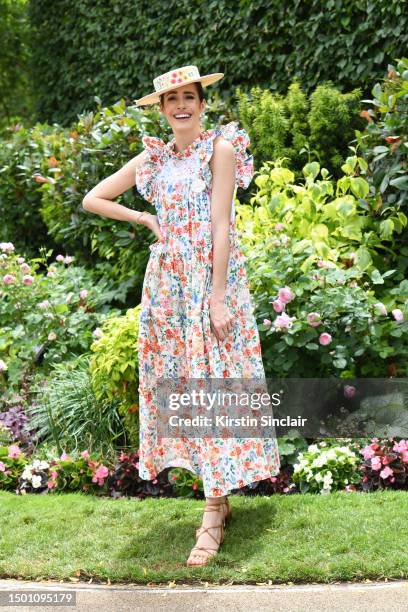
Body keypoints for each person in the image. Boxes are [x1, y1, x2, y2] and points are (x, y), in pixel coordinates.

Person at [82, 65, 281, 567]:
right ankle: (217, 499)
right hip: (167, 287)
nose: (181, 106)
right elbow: (94, 198)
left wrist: (216, 297)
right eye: (172, 100)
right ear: (163, 108)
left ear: (202, 102)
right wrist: (145, 217)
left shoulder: (222, 149)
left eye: (189, 97)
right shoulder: (153, 158)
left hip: (211, 281)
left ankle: (213, 514)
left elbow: (221, 227)